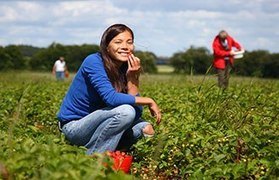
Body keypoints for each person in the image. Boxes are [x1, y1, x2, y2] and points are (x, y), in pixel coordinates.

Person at [57, 24, 161, 155]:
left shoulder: (126, 68)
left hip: (103, 124)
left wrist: (132, 77)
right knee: (125, 112)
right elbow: (111, 98)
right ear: (106, 46)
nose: (125, 46)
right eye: (118, 42)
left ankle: (112, 152)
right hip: (75, 127)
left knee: (145, 128)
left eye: (129, 42)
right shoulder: (93, 61)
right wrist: (149, 101)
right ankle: (95, 159)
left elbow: (136, 113)